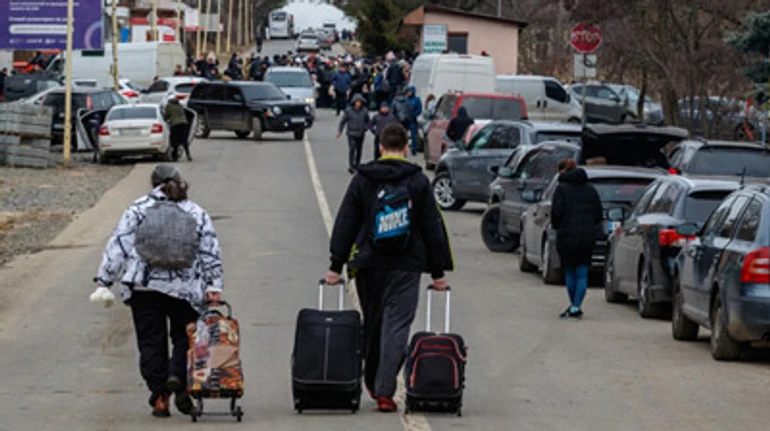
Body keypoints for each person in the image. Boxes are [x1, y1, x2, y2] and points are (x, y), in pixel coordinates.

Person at [326, 123, 454, 413]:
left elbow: (346, 221)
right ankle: (385, 392)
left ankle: (371, 381)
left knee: (372, 323)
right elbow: (432, 227)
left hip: (369, 264)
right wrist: (438, 273)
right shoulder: (418, 181)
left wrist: (336, 264)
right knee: (396, 326)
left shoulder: (363, 179)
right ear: (407, 148)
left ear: (380, 147)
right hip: (406, 266)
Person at [91, 164, 224, 418]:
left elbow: (119, 244)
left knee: (151, 342)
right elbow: (209, 250)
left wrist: (104, 280)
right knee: (186, 337)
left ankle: (160, 397)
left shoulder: (138, 209)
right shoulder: (195, 211)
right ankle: (177, 375)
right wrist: (213, 285)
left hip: (144, 287)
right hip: (184, 289)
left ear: (153, 184)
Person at [550, 158, 602, 319]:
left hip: (566, 235)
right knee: (582, 271)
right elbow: (598, 214)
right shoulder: (591, 190)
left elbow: (556, 212)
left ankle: (574, 305)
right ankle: (576, 306)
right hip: (587, 235)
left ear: (562, 171)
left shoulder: (561, 189)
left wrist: (556, 225)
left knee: (570, 271)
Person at [338, 94, 370, 173]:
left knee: (359, 149)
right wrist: (340, 131)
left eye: (360, 102)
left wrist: (365, 128)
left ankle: (357, 164)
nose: (358, 103)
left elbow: (368, 121)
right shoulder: (348, 111)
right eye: (357, 102)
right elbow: (343, 121)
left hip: (360, 133)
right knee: (352, 148)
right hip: (351, 133)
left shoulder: (365, 111)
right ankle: (351, 165)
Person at [164, 97, 191, 161]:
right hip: (184, 124)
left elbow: (166, 115)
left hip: (175, 124)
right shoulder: (180, 106)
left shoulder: (169, 106)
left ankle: (175, 157)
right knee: (184, 140)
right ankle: (188, 154)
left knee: (175, 141)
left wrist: (166, 119)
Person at [404, 86, 422, 155]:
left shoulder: (417, 100)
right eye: (408, 91)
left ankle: (414, 149)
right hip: (405, 120)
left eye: (410, 91)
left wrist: (414, 115)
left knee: (413, 135)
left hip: (413, 120)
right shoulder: (405, 99)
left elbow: (419, 110)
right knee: (404, 135)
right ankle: (404, 149)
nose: (409, 93)